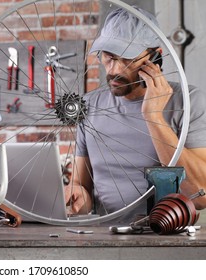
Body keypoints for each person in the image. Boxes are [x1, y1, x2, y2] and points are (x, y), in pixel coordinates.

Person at [64, 6, 206, 223]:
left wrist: (154, 117)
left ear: (155, 57)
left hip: (169, 240)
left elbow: (200, 195)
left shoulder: (190, 101)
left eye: (127, 59)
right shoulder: (90, 105)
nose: (115, 70)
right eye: (108, 57)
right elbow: (81, 185)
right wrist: (75, 197)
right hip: (105, 239)